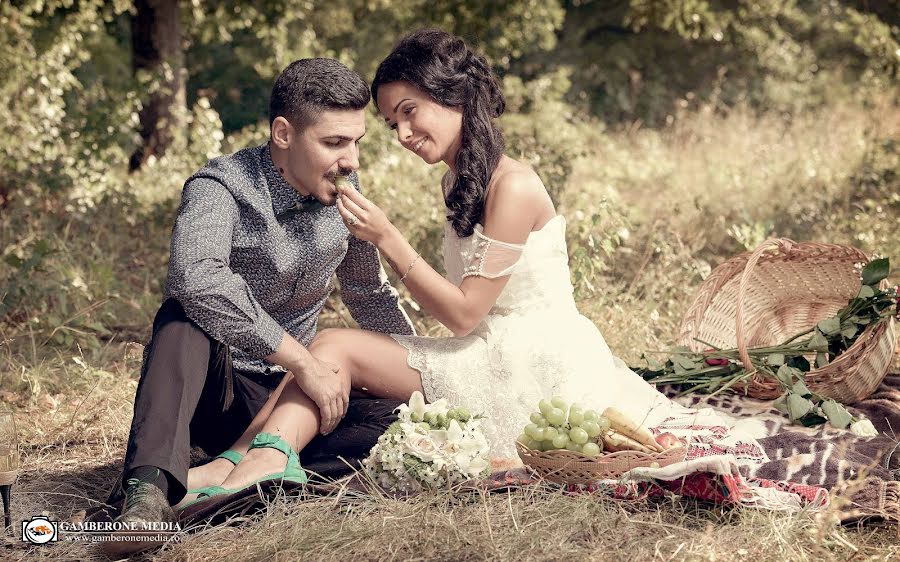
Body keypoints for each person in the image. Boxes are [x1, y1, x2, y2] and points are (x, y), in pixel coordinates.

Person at [183, 29, 694, 503]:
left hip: (532, 363)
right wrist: (403, 345)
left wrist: (387, 237)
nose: (403, 133)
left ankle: (255, 465)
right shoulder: (458, 182)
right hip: (486, 348)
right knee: (325, 354)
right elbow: (416, 306)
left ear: (457, 96)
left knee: (330, 345)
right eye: (391, 123)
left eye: (410, 112)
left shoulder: (512, 185)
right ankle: (238, 463)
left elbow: (465, 314)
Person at [108, 58, 416, 533]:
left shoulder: (347, 191)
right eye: (334, 142)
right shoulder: (220, 187)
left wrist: (420, 369)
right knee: (182, 317)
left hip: (293, 403)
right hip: (221, 390)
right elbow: (196, 276)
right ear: (283, 134)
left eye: (356, 142)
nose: (351, 159)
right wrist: (303, 362)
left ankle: (230, 478)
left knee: (403, 427)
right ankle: (146, 493)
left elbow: (366, 292)